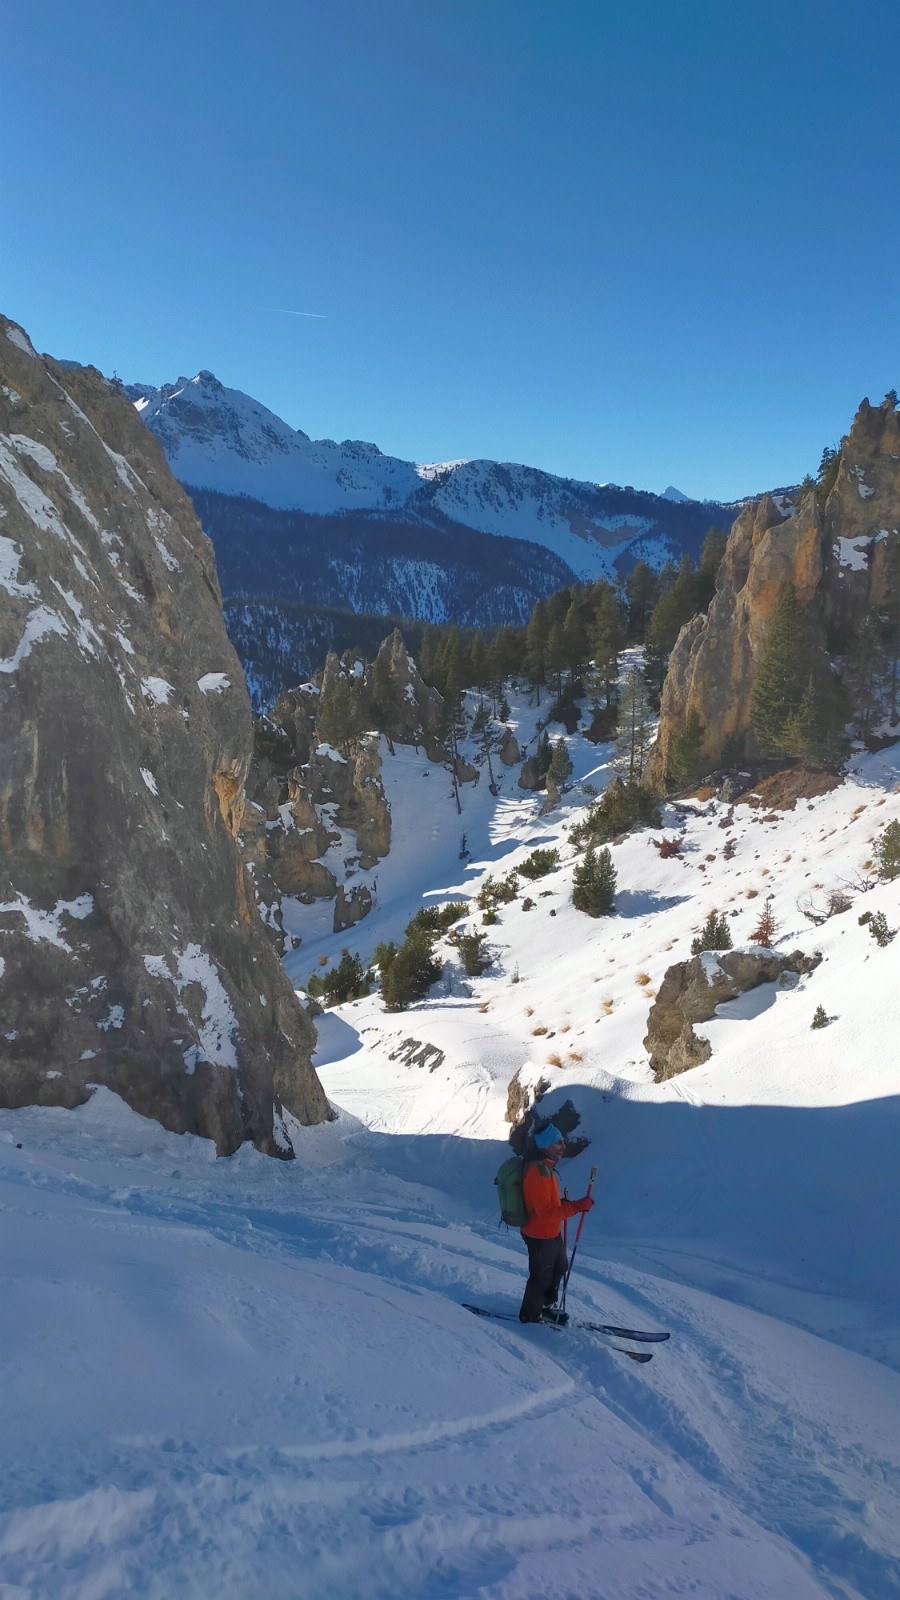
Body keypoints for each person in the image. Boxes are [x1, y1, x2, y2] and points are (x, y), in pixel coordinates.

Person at [518, 1123, 593, 1323]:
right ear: (545, 1145)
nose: (563, 1145)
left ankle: (545, 1306)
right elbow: (545, 1214)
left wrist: (564, 1204)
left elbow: (546, 1205)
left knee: (560, 1266)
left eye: (562, 1141)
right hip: (538, 1234)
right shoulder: (538, 1172)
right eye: (557, 1142)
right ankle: (530, 1315)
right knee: (540, 1276)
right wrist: (576, 1207)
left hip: (550, 1231)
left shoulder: (547, 1167)